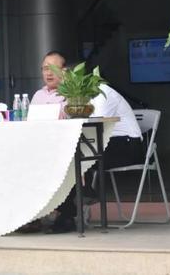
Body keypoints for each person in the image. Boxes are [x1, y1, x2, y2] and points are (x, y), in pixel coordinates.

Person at [30, 51, 143, 233]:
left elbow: (92, 124)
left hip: (125, 145)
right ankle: (75, 200)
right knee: (58, 160)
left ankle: (71, 210)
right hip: (99, 143)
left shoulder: (99, 92)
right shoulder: (72, 95)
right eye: (45, 69)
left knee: (69, 160)